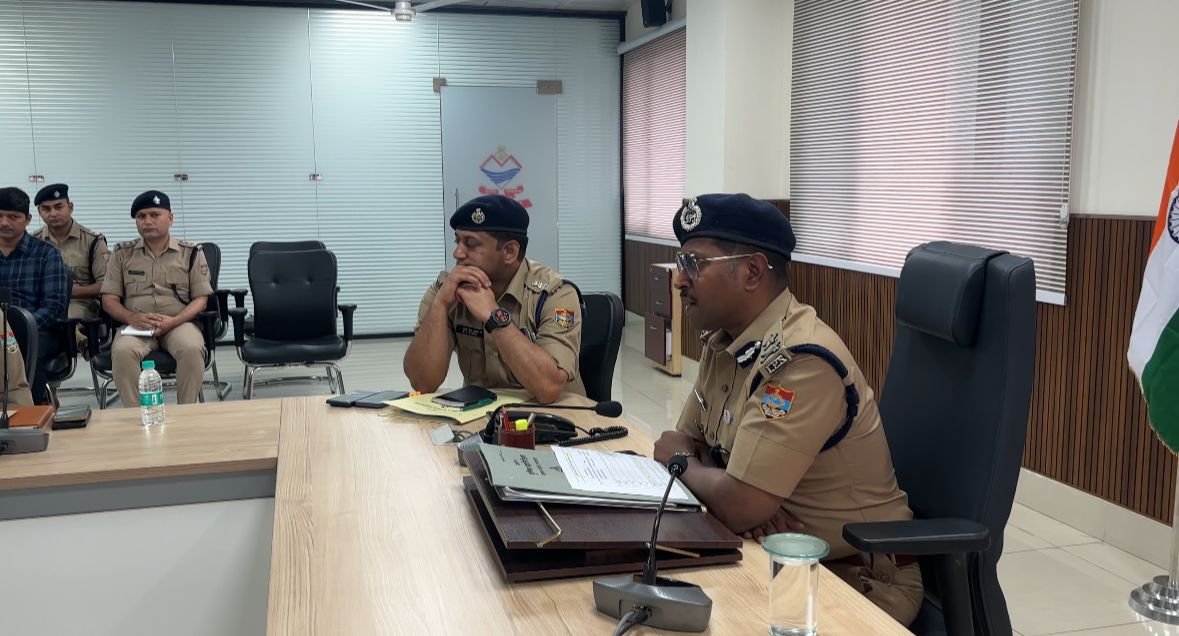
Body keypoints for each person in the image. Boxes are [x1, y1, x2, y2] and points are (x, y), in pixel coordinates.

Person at [651, 193, 923, 626]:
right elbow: (684, 441)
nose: (680, 280)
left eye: (694, 264)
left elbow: (728, 496)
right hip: (769, 552)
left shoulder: (801, 360)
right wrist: (730, 490)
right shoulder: (725, 341)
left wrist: (687, 467)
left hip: (856, 578)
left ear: (753, 271)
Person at [404, 195, 584, 404]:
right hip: (481, 413)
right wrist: (440, 305)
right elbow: (422, 382)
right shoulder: (445, 290)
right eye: (457, 241)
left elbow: (548, 388)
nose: (457, 253)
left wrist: (494, 316)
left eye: (471, 244)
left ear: (510, 252)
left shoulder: (555, 294)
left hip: (555, 415)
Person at [101, 191, 212, 407]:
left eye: (154, 215)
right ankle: (137, 413)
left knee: (191, 348)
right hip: (137, 325)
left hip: (178, 322)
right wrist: (131, 317)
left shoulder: (190, 252)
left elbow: (201, 299)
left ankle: (187, 412)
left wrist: (174, 321)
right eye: (141, 216)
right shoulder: (122, 253)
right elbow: (109, 299)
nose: (147, 221)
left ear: (170, 218)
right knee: (122, 352)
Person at [0, 187, 69, 404]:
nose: (4, 223)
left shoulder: (46, 253)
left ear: (28, 219)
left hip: (35, 330)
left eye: (13, 217)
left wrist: (16, 329)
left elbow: (54, 308)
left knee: (18, 346)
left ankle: (35, 409)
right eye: (0, 216)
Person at [33, 184, 110, 321]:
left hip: (79, 303)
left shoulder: (92, 241)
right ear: (39, 212)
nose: (53, 214)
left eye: (58, 207)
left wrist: (69, 291)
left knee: (66, 321)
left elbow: (106, 285)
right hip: (41, 303)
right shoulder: (33, 242)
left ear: (70, 207)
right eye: (46, 209)